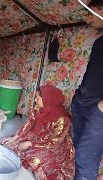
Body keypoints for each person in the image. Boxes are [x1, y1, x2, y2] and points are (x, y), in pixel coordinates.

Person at [2, 85, 74, 180]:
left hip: (53, 146)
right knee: (7, 143)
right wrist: (15, 137)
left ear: (47, 100)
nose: (35, 100)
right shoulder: (38, 109)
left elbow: (55, 142)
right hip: (36, 136)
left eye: (37, 98)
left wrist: (30, 143)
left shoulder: (62, 118)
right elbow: (29, 124)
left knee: (33, 157)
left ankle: (39, 173)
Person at [71, 1, 103, 179]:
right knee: (79, 150)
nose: (87, 18)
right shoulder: (100, 42)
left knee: (85, 158)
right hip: (83, 101)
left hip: (97, 108)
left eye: (90, 13)